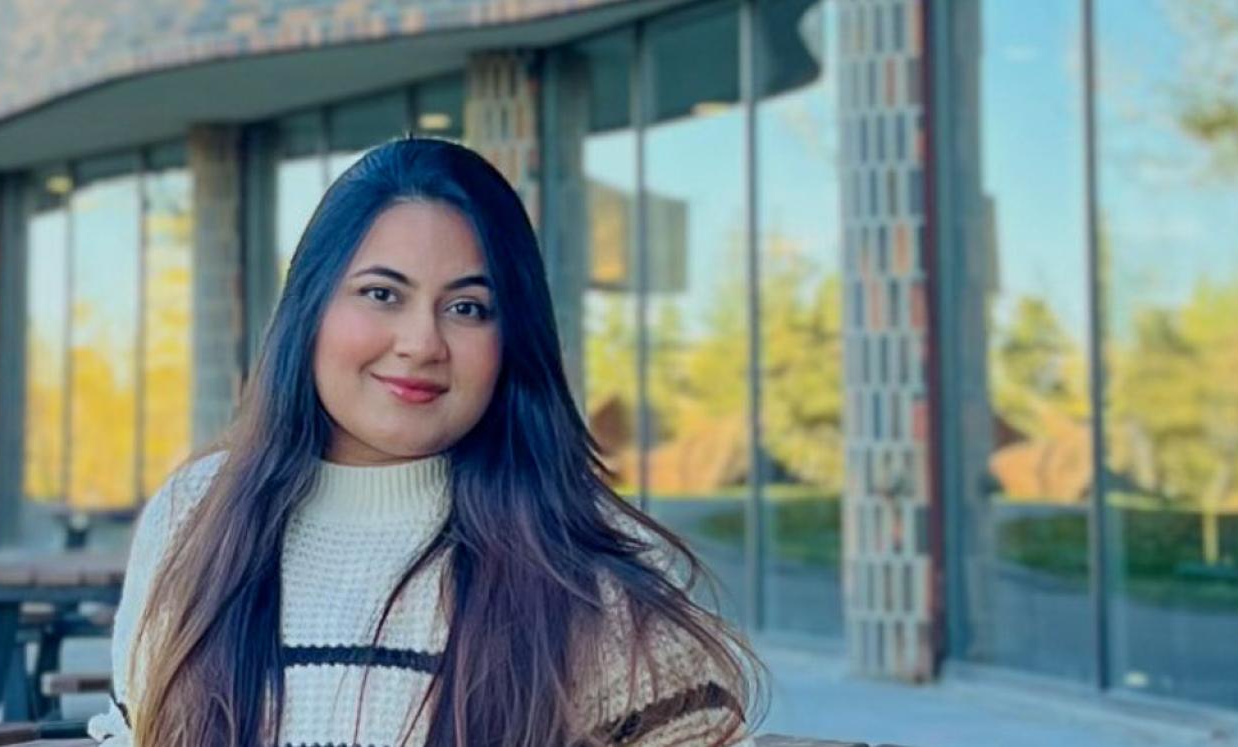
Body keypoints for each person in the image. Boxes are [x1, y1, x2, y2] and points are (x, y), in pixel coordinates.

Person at [84, 137, 760, 746]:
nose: (421, 343)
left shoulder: (584, 562)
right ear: (309, 310)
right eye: (382, 294)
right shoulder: (195, 514)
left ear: (512, 339)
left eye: (467, 308)